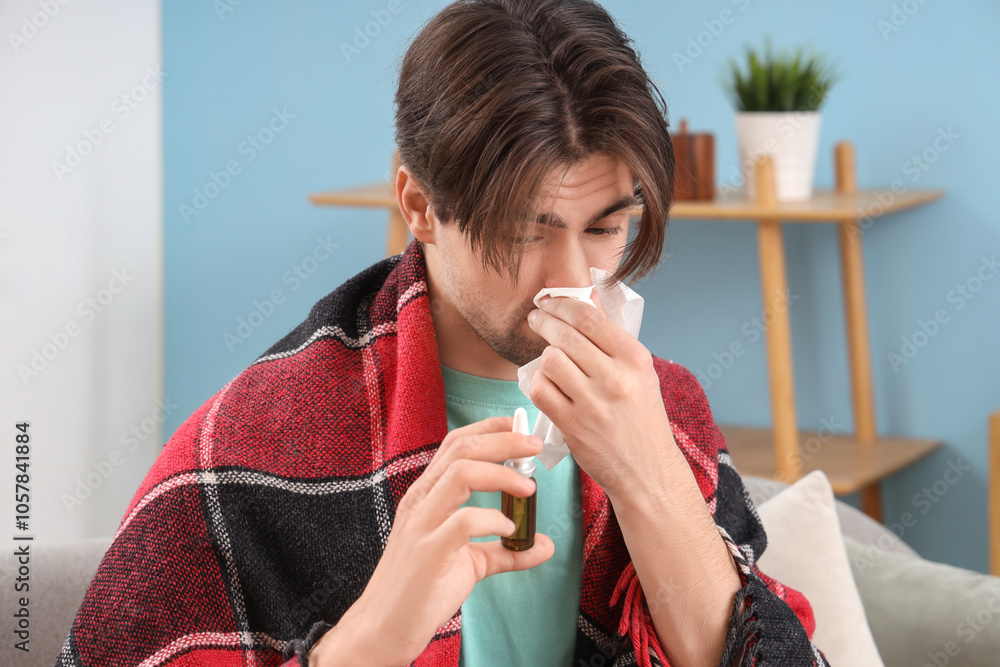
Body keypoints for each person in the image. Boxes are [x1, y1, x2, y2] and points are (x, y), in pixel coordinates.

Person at [58, 1, 830, 666]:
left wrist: (650, 479)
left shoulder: (667, 408)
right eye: (528, 231)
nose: (570, 279)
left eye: (605, 228)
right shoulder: (254, 442)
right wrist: (371, 635)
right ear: (419, 205)